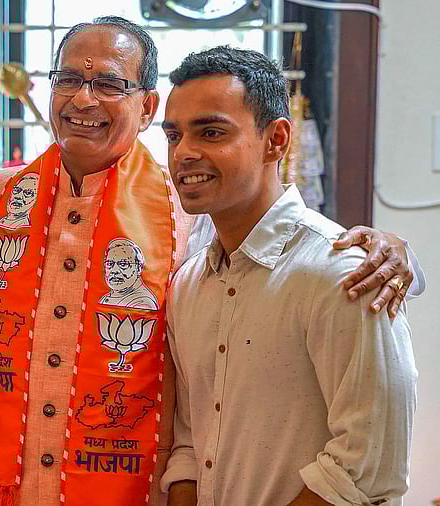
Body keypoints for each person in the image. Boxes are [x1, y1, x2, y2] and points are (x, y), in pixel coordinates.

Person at [0, 16, 423, 506]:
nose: (84, 99)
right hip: (7, 482)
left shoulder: (186, 212)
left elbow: (293, 252)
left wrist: (401, 254)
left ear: (144, 107)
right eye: (69, 80)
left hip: (130, 489)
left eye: (107, 83)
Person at [160, 46, 417, 506]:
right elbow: (189, 444)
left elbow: (364, 468)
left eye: (211, 132)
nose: (184, 153)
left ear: (276, 140)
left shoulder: (343, 271)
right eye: (174, 135)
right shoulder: (188, 283)